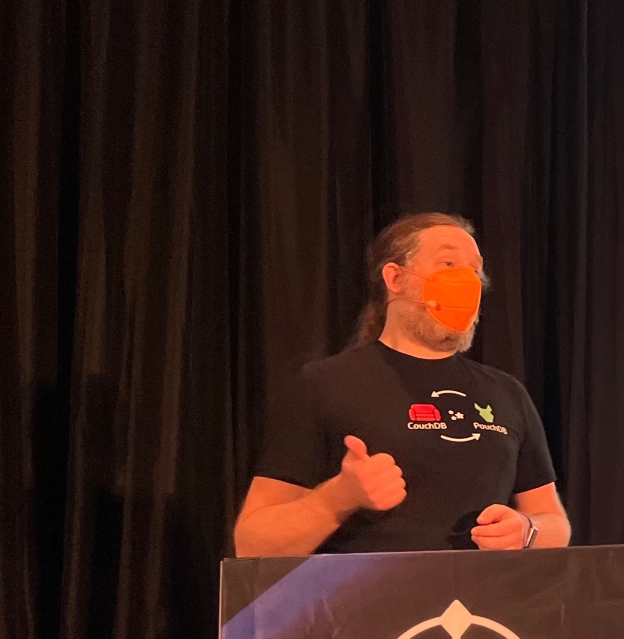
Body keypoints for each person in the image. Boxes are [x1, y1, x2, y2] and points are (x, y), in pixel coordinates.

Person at [233, 213, 572, 556]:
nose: (468, 281)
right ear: (395, 278)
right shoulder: (324, 385)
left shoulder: (507, 393)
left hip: (483, 593)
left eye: (475, 270)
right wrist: (336, 499)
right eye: (449, 264)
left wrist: (527, 530)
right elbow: (252, 543)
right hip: (368, 592)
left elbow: (553, 521)